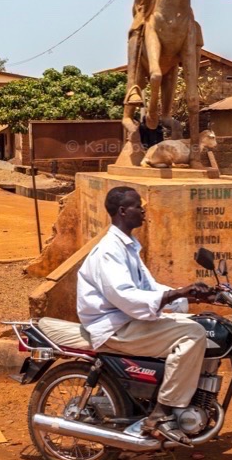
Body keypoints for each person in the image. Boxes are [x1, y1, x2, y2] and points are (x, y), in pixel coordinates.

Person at [77, 186, 215, 444]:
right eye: (138, 206)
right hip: (114, 327)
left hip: (129, 320)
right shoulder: (109, 250)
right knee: (194, 334)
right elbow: (128, 298)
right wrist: (178, 294)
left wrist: (192, 297)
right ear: (122, 211)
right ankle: (161, 412)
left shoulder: (128, 247)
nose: (143, 211)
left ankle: (182, 399)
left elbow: (149, 289)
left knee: (203, 325)